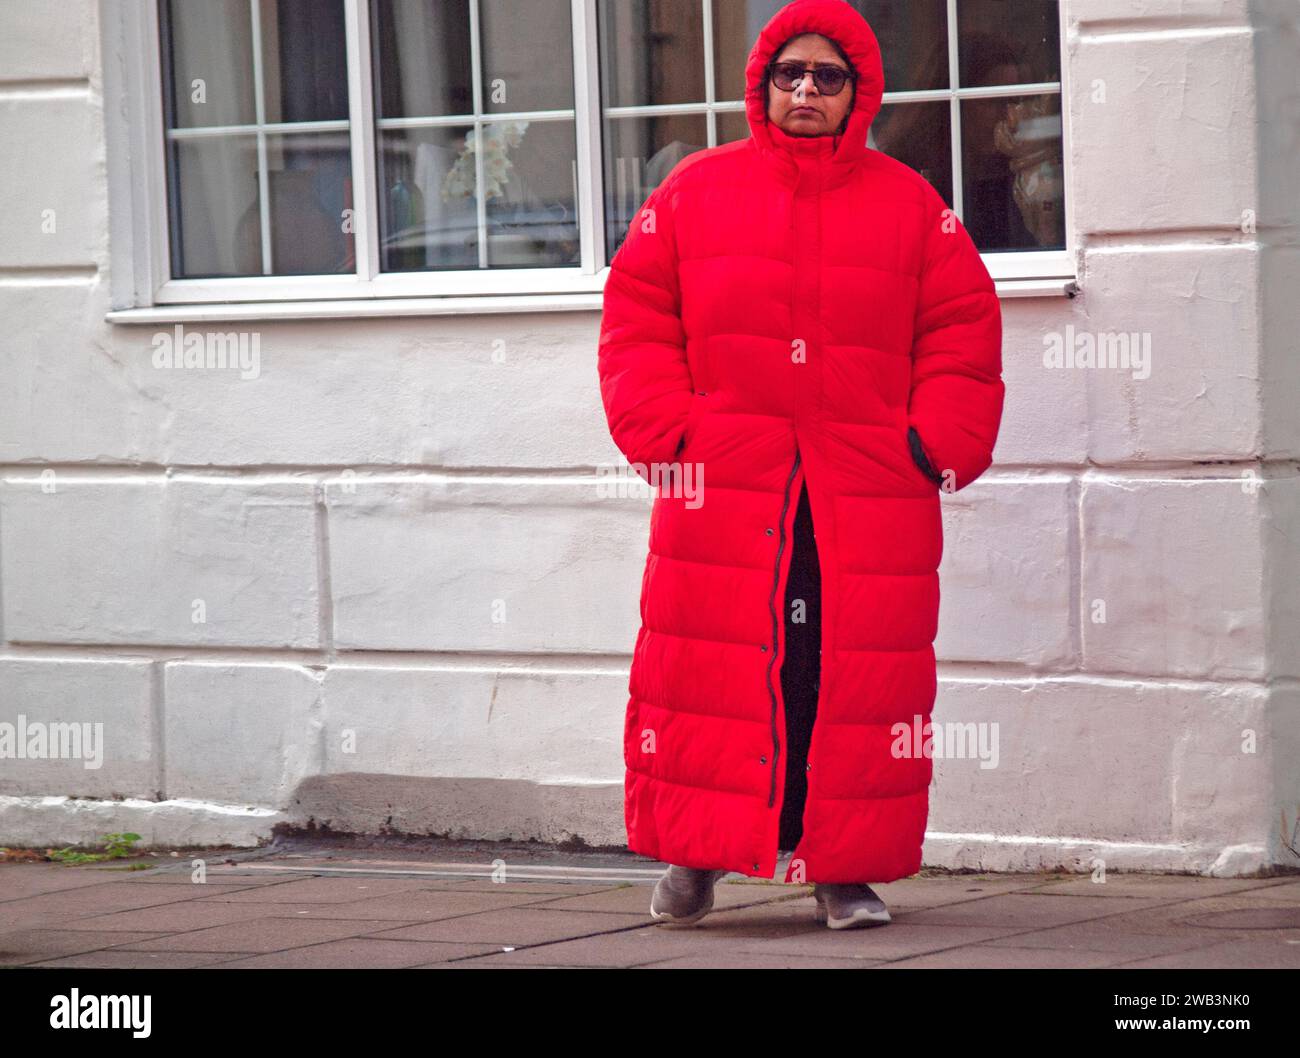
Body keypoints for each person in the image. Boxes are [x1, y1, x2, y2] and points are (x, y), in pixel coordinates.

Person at [597, 0, 1004, 930]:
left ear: (858, 92)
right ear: (763, 86)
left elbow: (962, 335)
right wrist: (671, 437)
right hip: (725, 487)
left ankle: (843, 871)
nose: (808, 91)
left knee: (848, 678)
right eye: (792, 75)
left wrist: (929, 445)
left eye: (829, 76)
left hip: (865, 492)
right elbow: (636, 325)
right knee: (712, 675)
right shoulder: (693, 194)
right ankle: (696, 859)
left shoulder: (909, 205)